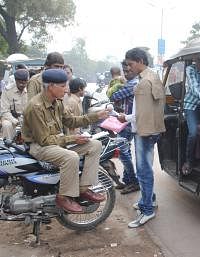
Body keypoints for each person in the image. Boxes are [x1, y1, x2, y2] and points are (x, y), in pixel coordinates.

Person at [22, 69, 109, 214]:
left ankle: (83, 189)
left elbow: (71, 121)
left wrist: (96, 116)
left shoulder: (57, 102)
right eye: (63, 86)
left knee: (95, 145)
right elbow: (44, 140)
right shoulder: (35, 107)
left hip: (57, 142)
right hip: (39, 146)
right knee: (71, 157)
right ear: (50, 86)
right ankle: (63, 197)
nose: (67, 89)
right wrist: (73, 139)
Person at [118, 48, 165, 228]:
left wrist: (127, 118)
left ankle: (147, 210)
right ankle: (149, 200)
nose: (128, 68)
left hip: (144, 132)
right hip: (152, 130)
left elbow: (141, 115)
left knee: (143, 171)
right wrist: (129, 118)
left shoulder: (143, 83)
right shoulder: (153, 76)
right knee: (146, 169)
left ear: (139, 61)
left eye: (130, 64)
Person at [110, 61, 140, 194]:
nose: (126, 74)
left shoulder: (132, 84)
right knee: (125, 152)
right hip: (125, 121)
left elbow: (113, 96)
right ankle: (128, 180)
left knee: (122, 152)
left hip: (128, 122)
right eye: (124, 71)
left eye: (129, 71)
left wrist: (116, 84)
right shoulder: (127, 83)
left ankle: (133, 181)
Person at [182, 56, 200, 175]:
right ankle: (189, 161)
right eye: (198, 60)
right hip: (192, 106)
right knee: (194, 133)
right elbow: (194, 88)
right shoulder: (191, 69)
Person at [0, 69, 29, 140]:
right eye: (20, 82)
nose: (23, 85)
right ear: (15, 80)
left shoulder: (30, 89)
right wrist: (15, 121)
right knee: (7, 125)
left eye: (25, 82)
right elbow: (4, 111)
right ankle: (9, 147)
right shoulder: (7, 90)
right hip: (11, 118)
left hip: (27, 118)